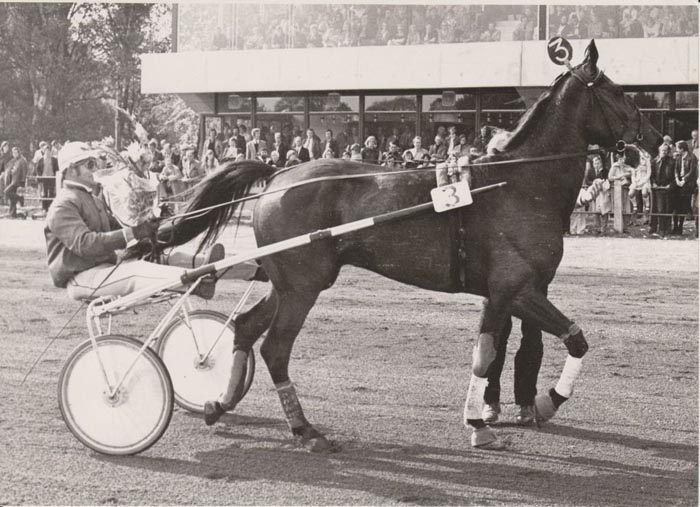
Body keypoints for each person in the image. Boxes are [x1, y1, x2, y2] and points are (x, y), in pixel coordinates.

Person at [45, 142, 232, 301]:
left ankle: (215, 266)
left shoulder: (93, 200)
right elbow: (86, 245)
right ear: (71, 169)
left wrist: (150, 221)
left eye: (95, 163)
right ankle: (197, 282)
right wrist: (134, 232)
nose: (95, 169)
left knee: (164, 256)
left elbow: (119, 229)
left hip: (104, 269)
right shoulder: (62, 205)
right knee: (137, 271)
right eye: (90, 164)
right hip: (82, 278)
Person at [670, 140, 698, 235]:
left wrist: (684, 181)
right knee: (675, 205)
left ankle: (680, 226)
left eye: (677, 148)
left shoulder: (692, 157)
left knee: (682, 205)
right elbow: (676, 169)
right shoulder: (679, 157)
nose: (676, 150)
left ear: (682, 148)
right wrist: (677, 179)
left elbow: (692, 171)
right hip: (679, 182)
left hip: (687, 184)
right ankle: (675, 226)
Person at [649, 143, 675, 236]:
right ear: (659, 151)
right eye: (662, 150)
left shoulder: (672, 162)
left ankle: (667, 229)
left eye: (665, 150)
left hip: (668, 188)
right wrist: (653, 183)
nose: (664, 152)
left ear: (668, 151)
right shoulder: (654, 161)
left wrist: (670, 185)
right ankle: (660, 229)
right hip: (658, 189)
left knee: (668, 209)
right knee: (659, 209)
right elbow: (651, 175)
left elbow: (675, 176)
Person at [36, 141, 59, 212]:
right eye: (46, 150)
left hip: (51, 178)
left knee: (51, 193)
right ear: (44, 151)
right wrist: (39, 178)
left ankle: (50, 207)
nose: (47, 152)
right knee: (44, 193)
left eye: (48, 150)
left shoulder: (54, 160)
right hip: (44, 178)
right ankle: (44, 208)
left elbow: (57, 169)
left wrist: (56, 178)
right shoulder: (41, 160)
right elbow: (38, 169)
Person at [4, 146, 27, 218]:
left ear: (19, 153)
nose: (15, 154)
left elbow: (24, 171)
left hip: (17, 182)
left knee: (6, 192)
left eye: (16, 152)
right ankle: (12, 213)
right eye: (13, 153)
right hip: (13, 180)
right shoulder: (14, 160)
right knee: (12, 199)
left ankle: (20, 198)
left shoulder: (22, 160)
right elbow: (11, 168)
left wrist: (23, 182)